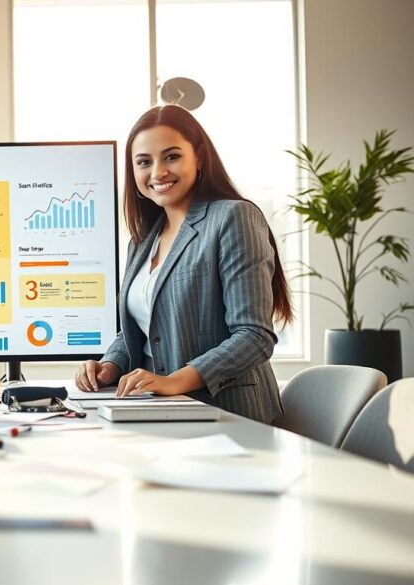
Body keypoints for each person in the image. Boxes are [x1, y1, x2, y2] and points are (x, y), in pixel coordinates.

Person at [74, 105, 293, 423]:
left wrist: (173, 382)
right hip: (159, 411)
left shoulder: (232, 217)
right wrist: (109, 366)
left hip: (228, 415)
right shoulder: (142, 240)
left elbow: (254, 336)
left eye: (172, 156)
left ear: (199, 157)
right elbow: (140, 328)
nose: (158, 172)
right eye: (144, 162)